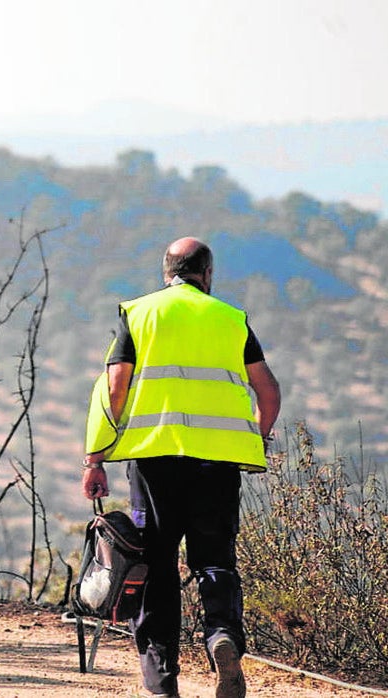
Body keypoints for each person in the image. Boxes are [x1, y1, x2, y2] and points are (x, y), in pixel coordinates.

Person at [81, 237, 280, 698]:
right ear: (207, 275)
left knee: (157, 564)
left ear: (165, 272)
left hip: (155, 461)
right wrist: (258, 435)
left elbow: (114, 388)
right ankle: (221, 635)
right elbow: (268, 392)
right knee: (215, 559)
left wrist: (96, 458)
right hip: (219, 462)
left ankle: (160, 677)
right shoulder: (231, 320)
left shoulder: (139, 313)